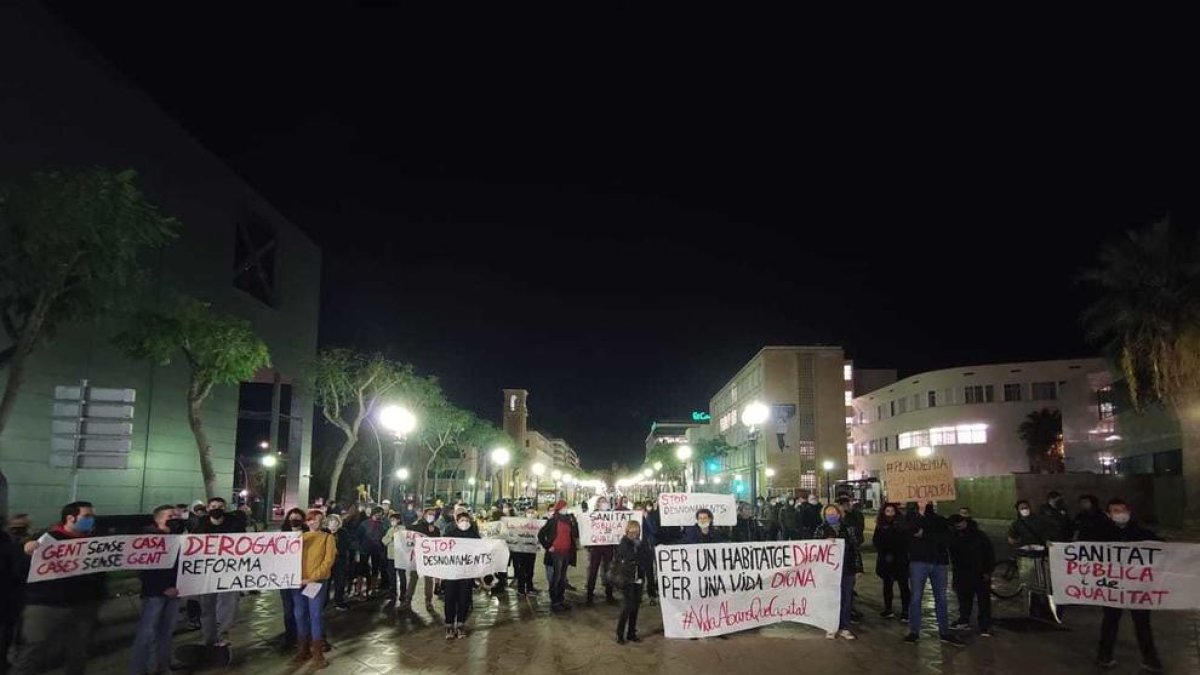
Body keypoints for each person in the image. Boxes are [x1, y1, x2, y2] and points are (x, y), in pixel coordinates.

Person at [12, 501, 106, 675]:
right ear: (70, 518)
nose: (92, 520)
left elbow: (99, 574)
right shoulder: (46, 539)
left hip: (83, 606)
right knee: (33, 652)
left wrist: (98, 597)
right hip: (46, 606)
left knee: (78, 654)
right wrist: (27, 553)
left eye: (93, 516)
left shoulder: (94, 542)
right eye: (87, 516)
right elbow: (20, 571)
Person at [1096, 499, 1161, 671]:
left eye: (1123, 509)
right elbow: (1082, 551)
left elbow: (1162, 549)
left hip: (1137, 588)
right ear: (1108, 515)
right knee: (1110, 622)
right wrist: (1056, 549)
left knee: (1142, 624)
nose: (1121, 513)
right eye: (1115, 510)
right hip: (1113, 587)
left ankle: (1150, 658)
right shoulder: (1100, 534)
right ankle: (1104, 656)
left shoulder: (1142, 533)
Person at [129, 505, 183, 675]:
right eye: (170, 515)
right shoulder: (147, 539)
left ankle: (163, 666)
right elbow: (145, 570)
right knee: (147, 634)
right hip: (154, 594)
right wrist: (163, 588)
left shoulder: (180, 537)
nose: (175, 518)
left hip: (175, 592)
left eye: (176, 515)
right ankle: (139, 670)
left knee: (167, 633)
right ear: (158, 519)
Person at [903, 502, 964, 647]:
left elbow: (947, 539)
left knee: (941, 598)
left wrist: (925, 535)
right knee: (916, 597)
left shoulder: (940, 520)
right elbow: (909, 532)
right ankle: (914, 631)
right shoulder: (911, 518)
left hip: (938, 562)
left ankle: (944, 631)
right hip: (919, 561)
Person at [192, 497, 244, 648]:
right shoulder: (199, 525)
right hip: (206, 573)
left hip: (228, 571)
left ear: (225, 508)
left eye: (220, 506)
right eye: (213, 506)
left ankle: (223, 635)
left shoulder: (234, 524)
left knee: (228, 605)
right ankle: (209, 638)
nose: (216, 509)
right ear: (208, 508)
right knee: (207, 607)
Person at [289, 510, 336, 669]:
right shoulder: (298, 538)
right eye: (311, 520)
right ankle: (303, 649)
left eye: (317, 520)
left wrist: (313, 577)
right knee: (299, 614)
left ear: (322, 522)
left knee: (315, 614)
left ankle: (317, 652)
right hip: (297, 582)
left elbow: (328, 561)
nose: (313, 522)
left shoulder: (328, 538)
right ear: (306, 522)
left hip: (316, 582)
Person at [815, 504, 863, 640]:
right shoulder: (820, 529)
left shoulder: (849, 529)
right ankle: (831, 627)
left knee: (846, 599)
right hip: (828, 571)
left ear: (839, 514)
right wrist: (824, 543)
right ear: (824, 516)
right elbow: (813, 548)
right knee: (830, 599)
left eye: (834, 513)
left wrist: (858, 568)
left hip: (847, 569)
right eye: (828, 514)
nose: (831, 516)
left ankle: (844, 627)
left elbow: (855, 549)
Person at [947, 513, 994, 637]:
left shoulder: (979, 536)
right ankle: (964, 619)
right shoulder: (954, 535)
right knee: (964, 598)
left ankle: (985, 625)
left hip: (979, 572)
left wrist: (987, 571)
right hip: (962, 573)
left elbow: (989, 553)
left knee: (983, 600)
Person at [611, 520, 655, 644]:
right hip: (627, 578)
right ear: (627, 530)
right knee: (628, 606)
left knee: (635, 606)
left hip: (638, 578)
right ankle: (620, 634)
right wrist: (639, 556)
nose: (634, 533)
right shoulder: (624, 543)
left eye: (636, 530)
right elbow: (629, 557)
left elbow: (647, 557)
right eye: (632, 530)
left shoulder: (641, 543)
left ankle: (631, 632)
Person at [442, 511, 478, 639]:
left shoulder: (474, 536)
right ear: (457, 522)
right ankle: (449, 624)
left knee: (464, 599)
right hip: (451, 573)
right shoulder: (449, 535)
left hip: (467, 574)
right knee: (450, 598)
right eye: (462, 520)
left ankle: (461, 624)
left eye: (467, 520)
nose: (465, 523)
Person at [537, 500, 579, 612]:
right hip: (556, 553)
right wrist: (548, 546)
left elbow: (575, 534)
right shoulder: (553, 521)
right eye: (565, 507)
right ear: (560, 508)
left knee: (562, 578)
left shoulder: (569, 520)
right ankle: (555, 601)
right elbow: (541, 534)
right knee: (556, 577)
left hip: (566, 552)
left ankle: (561, 599)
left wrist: (574, 522)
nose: (567, 509)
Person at [872, 503, 911, 620]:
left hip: (900, 560)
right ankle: (888, 609)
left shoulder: (902, 524)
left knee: (903, 586)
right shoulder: (880, 525)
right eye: (887, 511)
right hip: (886, 560)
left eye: (891, 511)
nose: (889, 513)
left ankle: (906, 610)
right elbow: (876, 540)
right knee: (887, 585)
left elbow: (905, 540)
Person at [277, 509, 306, 648]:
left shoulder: (308, 535)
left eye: (297, 518)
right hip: (285, 578)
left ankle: (302, 635)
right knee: (288, 609)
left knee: (300, 609)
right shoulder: (281, 536)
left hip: (302, 578)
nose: (294, 520)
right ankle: (290, 635)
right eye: (292, 518)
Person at [406, 507, 441, 610]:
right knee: (413, 578)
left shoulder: (436, 529)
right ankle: (408, 600)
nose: (431, 516)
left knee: (429, 580)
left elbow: (438, 543)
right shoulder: (417, 526)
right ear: (424, 515)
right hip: (416, 557)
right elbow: (408, 531)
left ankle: (428, 601)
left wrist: (433, 532)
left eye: (433, 515)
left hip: (428, 558)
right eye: (429, 514)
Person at [584, 497, 616, 605]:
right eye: (602, 502)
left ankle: (609, 594)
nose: (604, 504)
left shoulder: (612, 515)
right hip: (596, 548)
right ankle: (589, 594)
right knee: (593, 571)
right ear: (598, 504)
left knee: (609, 571)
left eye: (606, 502)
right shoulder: (593, 515)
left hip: (608, 547)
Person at [357, 507, 388, 597]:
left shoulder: (383, 525)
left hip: (377, 550)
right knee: (361, 569)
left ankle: (372, 588)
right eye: (378, 513)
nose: (379, 515)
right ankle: (359, 588)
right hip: (364, 549)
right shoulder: (364, 524)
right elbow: (358, 536)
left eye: (381, 514)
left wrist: (382, 549)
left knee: (375, 569)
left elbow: (384, 537)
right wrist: (358, 549)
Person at [511, 507, 540, 596]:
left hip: (531, 551)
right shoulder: (519, 523)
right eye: (529, 512)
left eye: (532, 512)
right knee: (521, 571)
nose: (530, 514)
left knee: (530, 571)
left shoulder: (536, 525)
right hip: (520, 551)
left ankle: (530, 588)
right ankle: (521, 589)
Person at [381, 512, 408, 604]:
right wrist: (391, 538)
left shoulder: (403, 529)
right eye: (391, 520)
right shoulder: (390, 529)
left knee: (402, 576)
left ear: (398, 520)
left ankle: (403, 593)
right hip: (391, 556)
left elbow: (404, 540)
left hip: (400, 556)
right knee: (392, 575)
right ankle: (393, 592)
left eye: (393, 520)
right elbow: (384, 540)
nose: (392, 522)